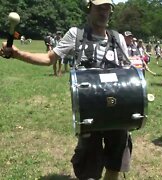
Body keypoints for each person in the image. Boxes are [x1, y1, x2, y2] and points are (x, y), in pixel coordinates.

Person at [1, 1, 133, 179]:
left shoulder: (117, 38)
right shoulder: (76, 35)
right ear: (89, 9)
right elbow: (49, 58)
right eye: (99, 7)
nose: (103, 12)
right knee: (88, 165)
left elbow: (128, 72)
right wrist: (18, 54)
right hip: (89, 109)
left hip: (116, 108)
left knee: (114, 162)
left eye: (107, 8)